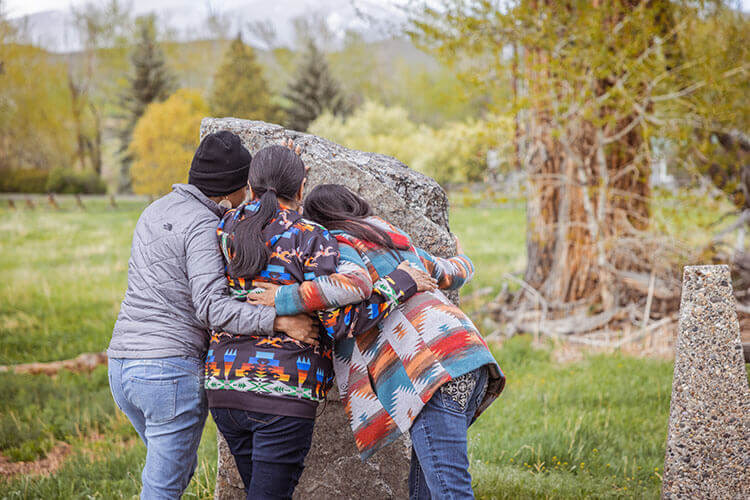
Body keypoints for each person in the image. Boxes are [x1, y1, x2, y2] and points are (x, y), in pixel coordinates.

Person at [205, 145, 436, 500]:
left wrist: (281, 167)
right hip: (283, 392)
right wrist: (399, 284)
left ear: (249, 185)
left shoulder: (226, 228)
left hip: (224, 388)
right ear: (301, 190)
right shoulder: (312, 236)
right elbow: (340, 323)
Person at [107, 131, 315, 500]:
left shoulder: (155, 210)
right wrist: (280, 320)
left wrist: (281, 170)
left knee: (173, 474)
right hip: (167, 370)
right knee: (163, 489)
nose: (251, 195)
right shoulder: (204, 227)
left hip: (123, 366)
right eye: (246, 188)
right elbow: (211, 307)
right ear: (229, 193)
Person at [276, 183, 506, 500]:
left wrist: (280, 301)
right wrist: (461, 255)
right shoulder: (395, 243)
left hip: (431, 372)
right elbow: (453, 271)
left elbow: (341, 313)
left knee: (449, 489)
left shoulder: (339, 249)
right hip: (469, 357)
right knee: (426, 487)